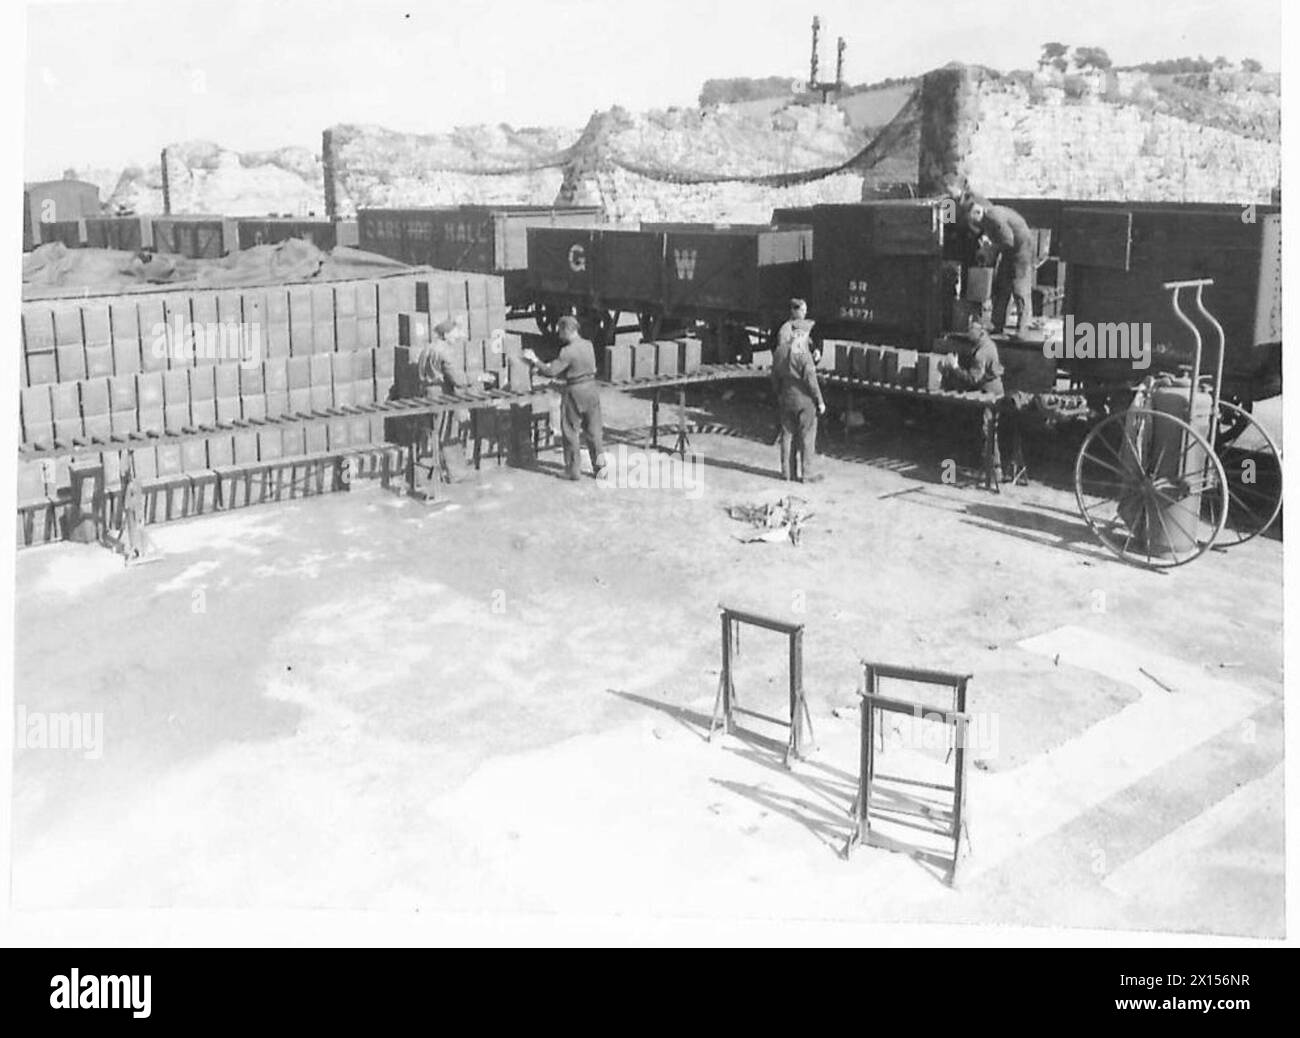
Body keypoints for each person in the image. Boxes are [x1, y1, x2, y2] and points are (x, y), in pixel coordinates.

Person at [522, 315, 605, 481]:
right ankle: (601, 469)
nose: (559, 335)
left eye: (560, 331)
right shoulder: (588, 345)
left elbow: (551, 371)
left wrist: (535, 360)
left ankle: (573, 471)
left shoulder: (567, 351)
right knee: (594, 432)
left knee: (570, 432)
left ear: (567, 331)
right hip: (591, 389)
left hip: (575, 393)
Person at [940, 314, 1007, 485]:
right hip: (991, 390)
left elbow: (973, 379)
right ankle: (988, 467)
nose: (968, 332)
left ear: (981, 331)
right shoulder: (986, 344)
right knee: (987, 428)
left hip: (990, 393)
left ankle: (994, 470)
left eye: (971, 329)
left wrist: (954, 367)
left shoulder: (982, 352)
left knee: (988, 429)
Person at [962, 197, 1036, 339]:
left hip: (1021, 249)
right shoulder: (984, 219)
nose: (972, 223)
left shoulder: (993, 217)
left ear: (977, 212)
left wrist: (991, 251)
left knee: (1019, 288)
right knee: (1002, 285)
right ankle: (997, 324)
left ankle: (1023, 329)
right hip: (1009, 251)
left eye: (972, 219)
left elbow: (1008, 241)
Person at [416, 317, 472, 484]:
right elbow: (458, 379)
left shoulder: (427, 348)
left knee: (430, 434)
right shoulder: (445, 351)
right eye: (454, 334)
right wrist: (475, 378)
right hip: (441, 395)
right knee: (448, 434)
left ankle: (422, 477)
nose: (457, 337)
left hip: (426, 394)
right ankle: (456, 474)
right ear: (446, 334)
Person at [771, 318, 826, 483]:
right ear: (803, 334)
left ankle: (787, 473)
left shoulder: (780, 351)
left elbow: (774, 376)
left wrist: (779, 393)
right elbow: (811, 381)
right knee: (807, 436)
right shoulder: (803, 353)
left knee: (787, 435)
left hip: (786, 397)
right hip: (805, 401)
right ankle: (807, 474)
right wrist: (820, 402)